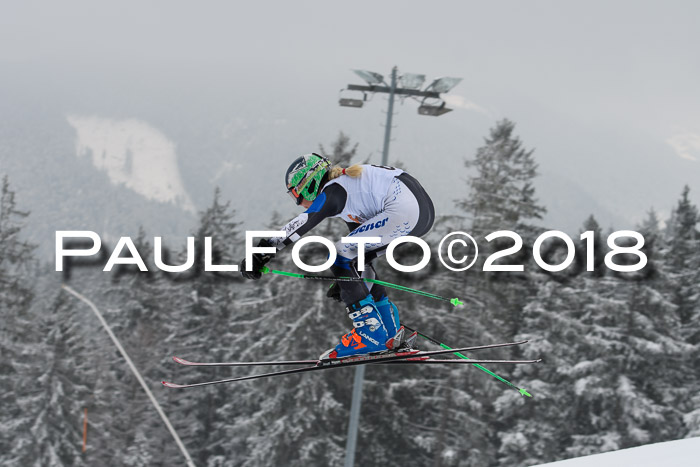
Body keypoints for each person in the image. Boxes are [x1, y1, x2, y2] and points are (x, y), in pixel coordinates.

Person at [241, 153, 435, 359]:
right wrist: (349, 282)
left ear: (309, 183)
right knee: (350, 255)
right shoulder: (349, 191)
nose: (298, 202)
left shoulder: (334, 190)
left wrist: (262, 251)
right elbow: (360, 254)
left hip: (403, 209)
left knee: (338, 253)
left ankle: (369, 334)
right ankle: (388, 331)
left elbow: (303, 222)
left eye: (296, 194)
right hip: (421, 214)